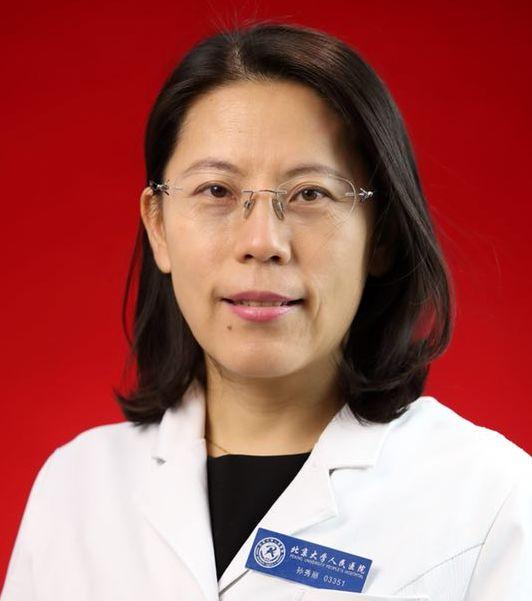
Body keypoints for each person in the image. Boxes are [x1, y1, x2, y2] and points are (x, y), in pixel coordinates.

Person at [2, 20, 531, 601]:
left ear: (379, 235)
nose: (262, 241)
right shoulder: (75, 489)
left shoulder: (490, 501)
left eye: (310, 194)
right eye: (217, 191)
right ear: (159, 227)